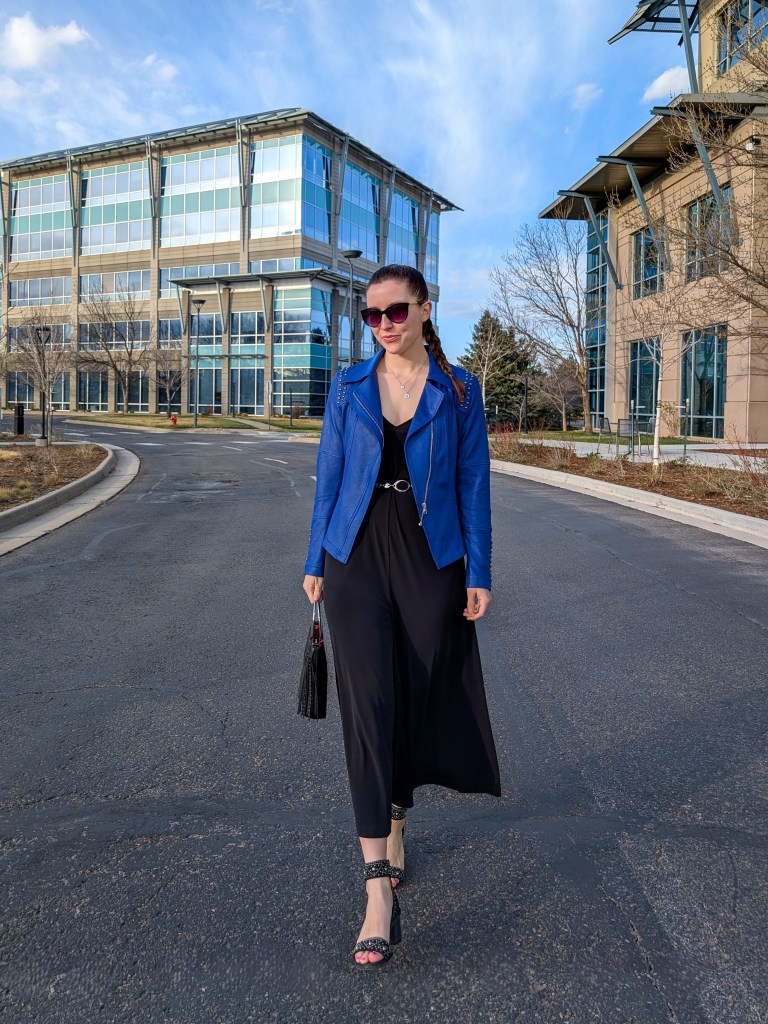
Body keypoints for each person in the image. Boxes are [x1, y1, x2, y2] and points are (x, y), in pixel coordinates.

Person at [303, 263, 500, 969]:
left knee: (416, 693)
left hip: (429, 555)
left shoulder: (458, 389)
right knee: (367, 706)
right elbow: (328, 473)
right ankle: (377, 889)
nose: (382, 324)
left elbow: (473, 482)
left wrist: (479, 571)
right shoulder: (350, 385)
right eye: (372, 314)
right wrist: (314, 559)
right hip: (355, 551)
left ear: (422, 310)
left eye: (394, 311)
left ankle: (396, 816)